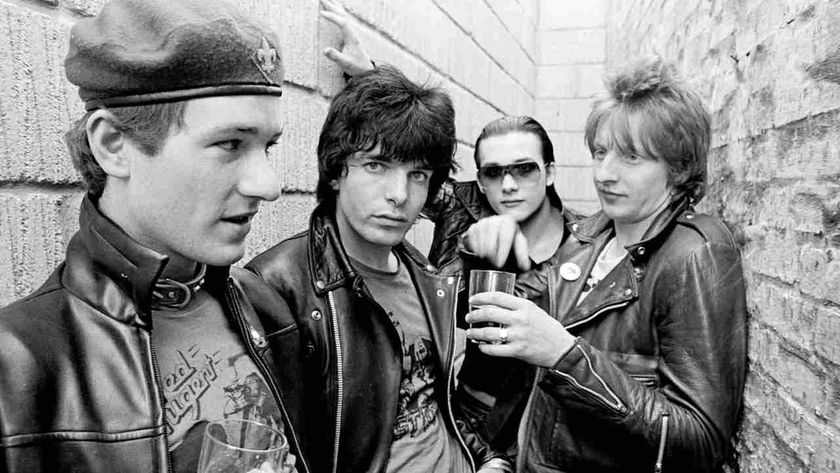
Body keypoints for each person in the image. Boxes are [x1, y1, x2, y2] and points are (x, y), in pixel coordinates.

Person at [0, 1, 305, 471]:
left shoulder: (263, 304)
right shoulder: (18, 365)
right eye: (230, 144)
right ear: (113, 145)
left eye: (268, 146)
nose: (268, 184)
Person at [462, 58, 747, 472]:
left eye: (631, 157)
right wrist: (478, 251)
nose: (604, 174)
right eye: (600, 152)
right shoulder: (589, 237)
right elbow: (498, 325)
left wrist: (564, 355)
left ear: (677, 167)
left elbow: (699, 444)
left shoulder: (693, 256)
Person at [247, 65, 510, 473]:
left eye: (417, 174)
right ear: (336, 171)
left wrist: (487, 459)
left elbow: (433, 405)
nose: (399, 195)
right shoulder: (278, 288)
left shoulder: (426, 277)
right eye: (376, 166)